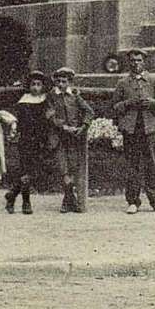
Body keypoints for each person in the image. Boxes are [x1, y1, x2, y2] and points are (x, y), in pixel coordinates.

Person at [112, 48, 155, 214]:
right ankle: (133, 201)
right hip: (131, 129)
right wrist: (128, 103)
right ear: (128, 62)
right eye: (132, 60)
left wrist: (153, 103)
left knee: (152, 164)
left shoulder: (154, 81)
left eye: (138, 60)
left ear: (144, 62)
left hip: (149, 127)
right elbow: (114, 106)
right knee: (132, 165)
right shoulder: (123, 83)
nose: (135, 63)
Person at [46, 67, 94, 213]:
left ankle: (68, 201)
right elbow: (50, 116)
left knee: (73, 169)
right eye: (58, 81)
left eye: (64, 81)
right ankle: (69, 198)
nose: (60, 84)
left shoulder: (74, 96)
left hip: (74, 139)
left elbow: (88, 111)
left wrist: (83, 126)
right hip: (58, 138)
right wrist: (63, 126)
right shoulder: (51, 96)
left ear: (69, 82)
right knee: (63, 170)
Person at [5, 70, 51, 214]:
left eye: (38, 84)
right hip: (26, 139)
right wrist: (15, 130)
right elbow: (19, 121)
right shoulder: (24, 101)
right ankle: (26, 201)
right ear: (29, 86)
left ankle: (12, 194)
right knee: (26, 171)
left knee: (33, 171)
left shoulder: (45, 100)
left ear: (43, 86)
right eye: (33, 84)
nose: (35, 87)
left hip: (40, 140)